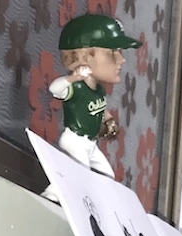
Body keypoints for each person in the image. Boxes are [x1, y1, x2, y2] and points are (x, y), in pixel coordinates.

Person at [48, 13, 141, 179]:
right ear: (84, 57)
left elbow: (99, 108)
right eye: (112, 52)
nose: (121, 60)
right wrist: (73, 77)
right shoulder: (76, 87)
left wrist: (107, 120)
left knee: (107, 178)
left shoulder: (99, 90)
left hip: (90, 143)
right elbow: (54, 89)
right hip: (75, 139)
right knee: (79, 178)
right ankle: (52, 196)